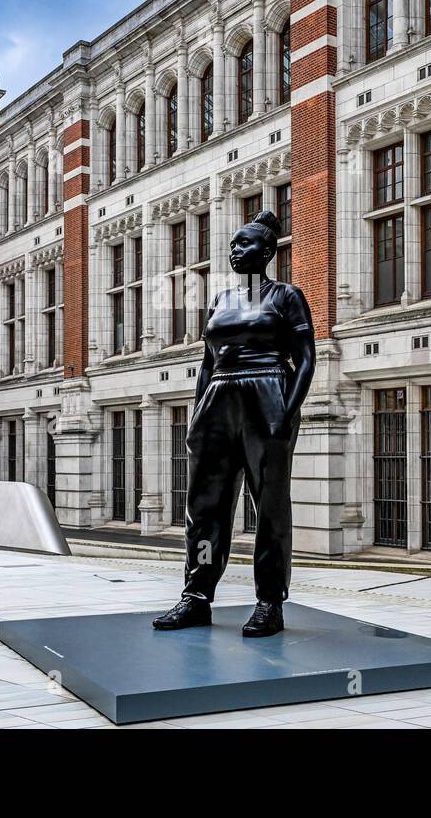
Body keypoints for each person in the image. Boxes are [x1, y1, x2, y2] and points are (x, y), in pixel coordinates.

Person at [151, 210, 315, 637]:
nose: (236, 252)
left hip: (267, 394)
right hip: (218, 399)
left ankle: (269, 602)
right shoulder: (221, 300)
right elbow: (208, 364)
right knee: (204, 508)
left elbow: (306, 359)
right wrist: (197, 412)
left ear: (268, 251)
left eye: (245, 245)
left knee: (270, 507)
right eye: (233, 246)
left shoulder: (286, 296)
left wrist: (287, 410)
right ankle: (196, 596)